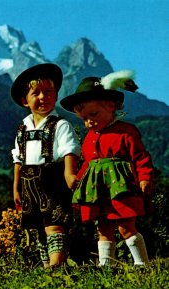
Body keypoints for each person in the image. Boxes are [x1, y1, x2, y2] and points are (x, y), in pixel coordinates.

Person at [60, 70, 154, 266]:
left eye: (93, 115)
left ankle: (141, 264)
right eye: (84, 119)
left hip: (120, 187)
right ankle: (106, 265)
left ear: (111, 106)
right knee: (103, 227)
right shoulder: (89, 138)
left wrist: (145, 177)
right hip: (98, 190)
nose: (89, 122)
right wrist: (79, 178)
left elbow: (140, 156)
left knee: (126, 226)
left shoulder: (125, 132)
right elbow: (88, 162)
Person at [10, 63, 80, 268]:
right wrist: (16, 186)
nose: (43, 97)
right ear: (25, 101)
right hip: (29, 182)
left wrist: (69, 173)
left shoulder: (60, 125)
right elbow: (18, 158)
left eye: (48, 92)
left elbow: (70, 149)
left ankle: (57, 264)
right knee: (38, 226)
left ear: (56, 95)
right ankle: (47, 263)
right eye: (36, 93)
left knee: (55, 223)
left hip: (53, 180)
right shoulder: (22, 129)